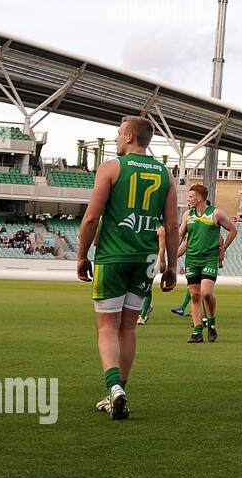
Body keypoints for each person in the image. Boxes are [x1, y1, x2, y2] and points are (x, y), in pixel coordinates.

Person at [77, 115, 179, 420]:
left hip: (113, 257)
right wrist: (172, 265)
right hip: (146, 261)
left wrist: (82, 255)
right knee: (129, 328)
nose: (117, 138)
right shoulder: (165, 175)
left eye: (119, 133)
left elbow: (91, 218)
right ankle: (120, 389)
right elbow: (172, 225)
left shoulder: (111, 168)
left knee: (107, 327)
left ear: (131, 136)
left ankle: (113, 388)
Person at [178, 183, 238, 343]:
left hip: (209, 259)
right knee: (194, 295)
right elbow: (180, 235)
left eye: (191, 196)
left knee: (206, 293)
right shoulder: (187, 215)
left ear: (199, 198)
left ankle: (211, 324)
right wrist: (171, 254)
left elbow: (233, 230)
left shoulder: (216, 214)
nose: (188, 199)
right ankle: (197, 331)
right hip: (192, 259)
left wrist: (223, 248)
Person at [136, 223, 169, 326]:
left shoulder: (160, 229)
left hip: (152, 258)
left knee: (147, 285)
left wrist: (162, 261)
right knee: (137, 285)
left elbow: (161, 248)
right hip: (140, 256)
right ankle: (148, 306)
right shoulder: (142, 223)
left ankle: (142, 316)